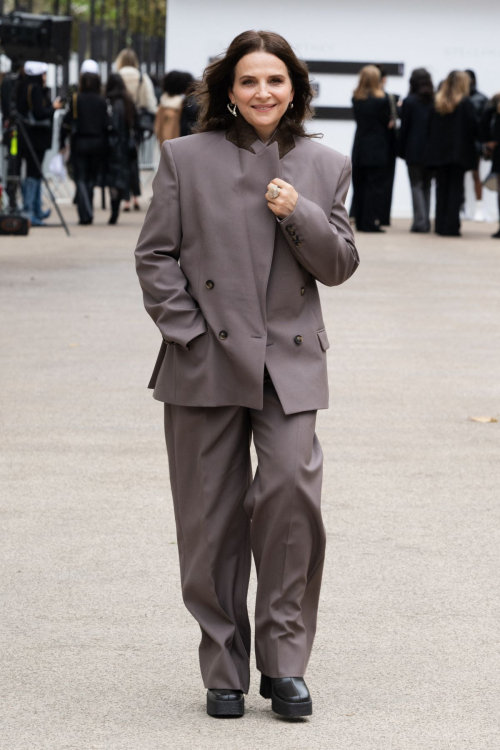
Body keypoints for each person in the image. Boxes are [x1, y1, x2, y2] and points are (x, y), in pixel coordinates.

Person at [134, 29, 359, 719]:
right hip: (205, 360)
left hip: (288, 361)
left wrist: (302, 214)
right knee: (210, 519)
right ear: (228, 90)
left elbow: (340, 263)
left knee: (291, 499)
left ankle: (285, 664)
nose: (263, 92)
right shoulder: (184, 158)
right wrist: (189, 335)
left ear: (295, 89)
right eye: (249, 81)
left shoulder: (326, 163)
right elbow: (155, 256)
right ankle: (223, 668)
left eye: (276, 81)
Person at [426, 70, 477, 236]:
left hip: (439, 154)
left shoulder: (437, 102)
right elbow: (473, 128)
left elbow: (429, 129)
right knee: (455, 189)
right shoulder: (465, 103)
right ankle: (451, 226)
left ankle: (440, 225)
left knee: (441, 189)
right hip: (458, 155)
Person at [59, 60, 109, 225]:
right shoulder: (101, 101)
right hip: (97, 143)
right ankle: (87, 210)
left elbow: (66, 122)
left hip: (79, 142)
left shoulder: (76, 100)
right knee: (90, 178)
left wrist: (61, 143)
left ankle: (84, 211)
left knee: (80, 178)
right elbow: (106, 124)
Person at [16, 61, 63, 226]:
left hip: (31, 137)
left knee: (34, 173)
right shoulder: (34, 89)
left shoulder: (25, 86)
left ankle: (35, 208)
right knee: (33, 173)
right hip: (35, 138)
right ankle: (30, 210)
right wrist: (54, 107)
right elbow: (39, 112)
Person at [351, 65, 392, 232]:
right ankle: (369, 222)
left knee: (359, 186)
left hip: (360, 147)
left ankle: (360, 221)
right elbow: (386, 122)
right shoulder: (382, 100)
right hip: (376, 148)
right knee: (374, 187)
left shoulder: (355, 98)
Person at [115, 48, 157, 212]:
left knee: (123, 161)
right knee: (134, 160)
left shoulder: (117, 77)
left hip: (120, 123)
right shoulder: (142, 78)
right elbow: (151, 103)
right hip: (137, 125)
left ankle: (125, 198)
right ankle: (135, 196)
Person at [398, 68, 435, 232]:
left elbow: (404, 128)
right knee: (426, 186)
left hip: (413, 150)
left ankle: (420, 222)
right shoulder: (435, 101)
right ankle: (425, 221)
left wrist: (400, 149)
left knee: (416, 185)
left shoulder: (409, 101)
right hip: (431, 150)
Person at [103, 74, 136, 225]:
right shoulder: (127, 101)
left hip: (112, 145)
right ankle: (118, 204)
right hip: (125, 145)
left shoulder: (110, 102)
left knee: (113, 178)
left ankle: (114, 208)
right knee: (122, 175)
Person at [377, 66, 400, 226]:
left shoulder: (359, 97)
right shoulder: (389, 99)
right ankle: (383, 217)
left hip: (370, 147)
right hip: (387, 144)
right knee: (385, 181)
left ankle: (362, 214)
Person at [465, 70, 489, 221]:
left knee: (475, 174)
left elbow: (484, 124)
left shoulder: (481, 99)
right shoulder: (459, 98)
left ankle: (479, 209)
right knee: (457, 176)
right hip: (461, 141)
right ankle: (460, 208)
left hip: (475, 143)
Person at [154, 70, 194, 145]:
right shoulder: (180, 107)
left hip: (165, 148)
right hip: (178, 148)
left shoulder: (162, 104)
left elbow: (157, 129)